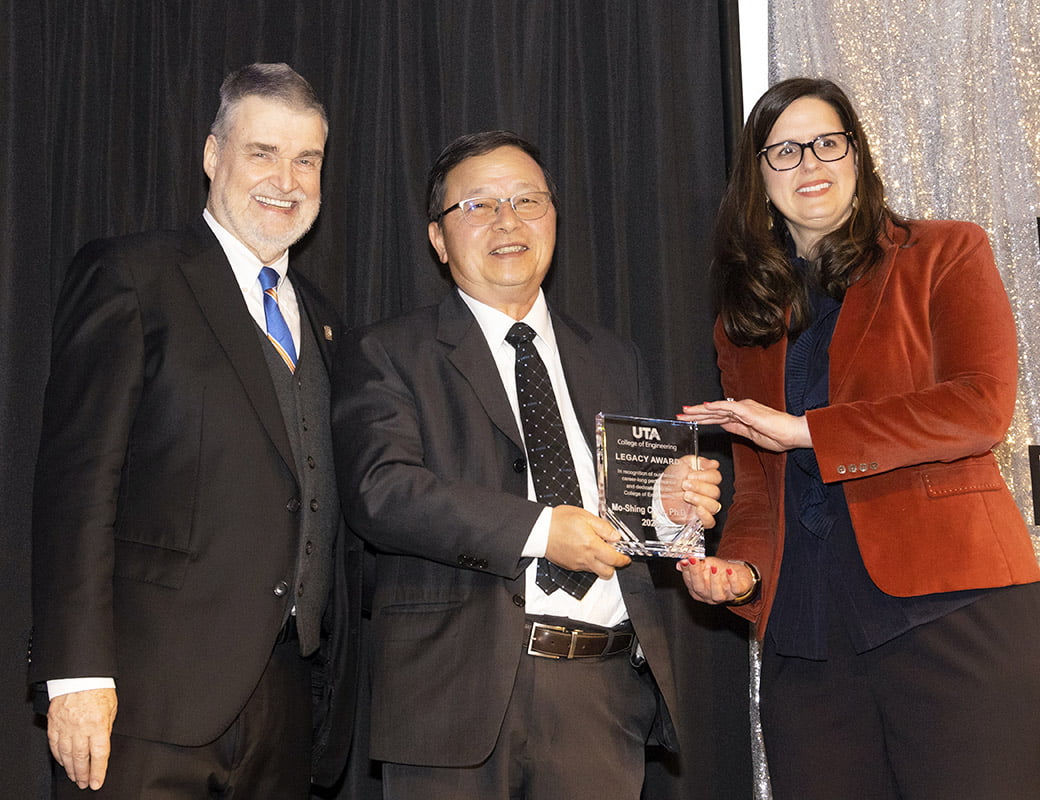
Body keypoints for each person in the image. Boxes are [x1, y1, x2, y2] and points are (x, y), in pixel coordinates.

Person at [674, 77, 1040, 799]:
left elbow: (979, 407)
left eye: (826, 143)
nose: (809, 163)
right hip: (807, 633)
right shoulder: (744, 319)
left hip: (950, 606)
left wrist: (807, 431)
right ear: (757, 179)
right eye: (784, 151)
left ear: (857, 154)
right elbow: (759, 489)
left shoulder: (944, 252)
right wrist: (743, 572)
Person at [331, 130, 722, 800]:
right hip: (453, 697)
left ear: (554, 218)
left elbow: (625, 514)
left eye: (527, 200)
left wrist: (666, 510)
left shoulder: (612, 356)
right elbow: (382, 491)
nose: (508, 221)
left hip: (600, 697)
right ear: (437, 238)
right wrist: (542, 531)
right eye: (479, 205)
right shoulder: (388, 351)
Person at [30, 63, 361, 797]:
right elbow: (76, 488)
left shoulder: (326, 320)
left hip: (286, 704)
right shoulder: (131, 276)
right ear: (213, 155)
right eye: (262, 153)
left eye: (306, 160)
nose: (286, 180)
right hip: (141, 701)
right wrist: (77, 676)